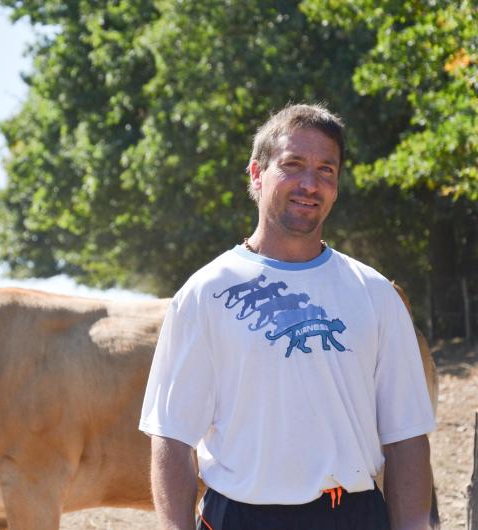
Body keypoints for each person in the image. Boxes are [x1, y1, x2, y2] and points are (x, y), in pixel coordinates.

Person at [139, 103, 436, 530]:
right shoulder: (204, 294)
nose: (310, 183)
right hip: (239, 518)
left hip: (352, 515)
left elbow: (406, 436)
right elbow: (171, 436)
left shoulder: (374, 295)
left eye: (326, 170)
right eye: (293, 165)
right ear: (257, 175)